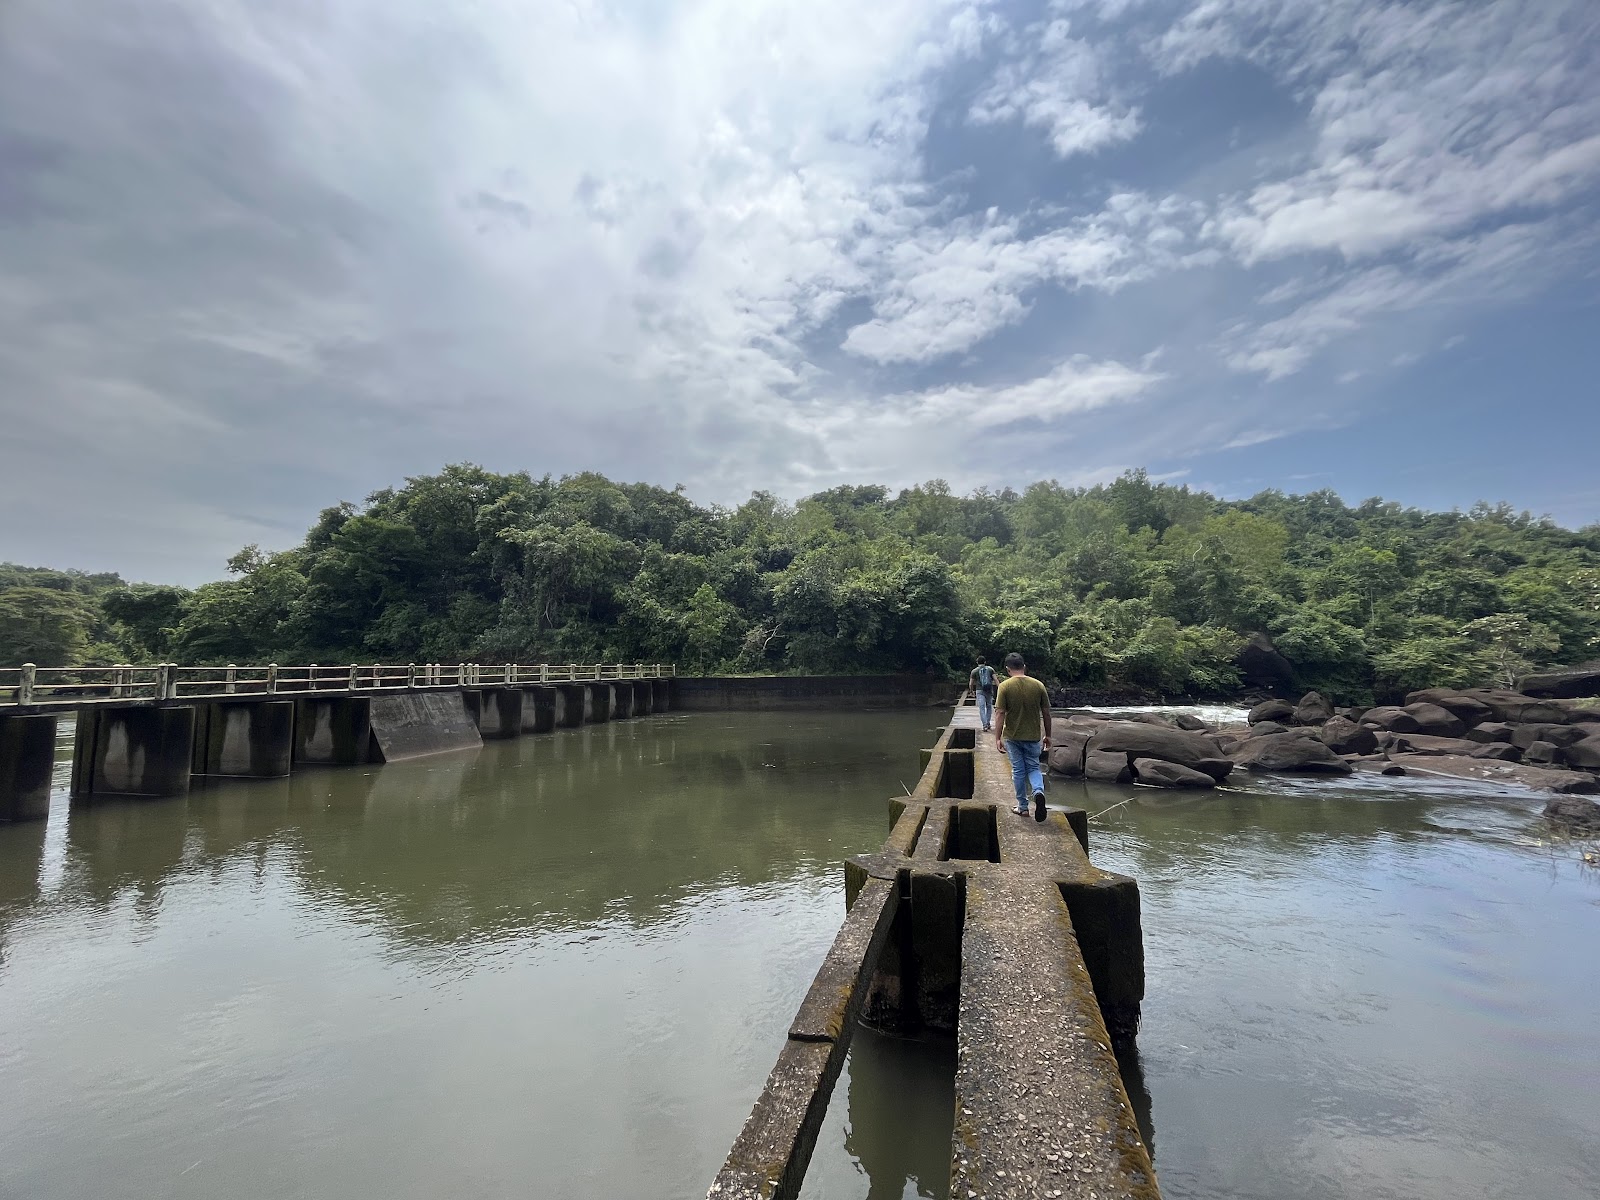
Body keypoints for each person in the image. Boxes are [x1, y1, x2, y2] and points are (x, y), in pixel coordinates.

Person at [993, 652, 1051, 821]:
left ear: (1007, 669)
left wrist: (997, 738)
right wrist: (1048, 735)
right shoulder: (1038, 685)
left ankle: (1023, 807)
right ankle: (1038, 791)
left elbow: (1000, 713)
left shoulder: (1005, 686)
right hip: (1033, 736)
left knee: (1018, 770)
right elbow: (1046, 713)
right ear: (1024, 667)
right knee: (1033, 767)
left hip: (1013, 736)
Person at [968, 655, 998, 732]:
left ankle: (984, 725)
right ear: (985, 662)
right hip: (989, 690)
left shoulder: (974, 671)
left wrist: (971, 691)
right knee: (989, 707)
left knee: (981, 708)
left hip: (979, 691)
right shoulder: (990, 669)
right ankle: (988, 723)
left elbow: (971, 683)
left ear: (977, 662)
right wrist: (1000, 688)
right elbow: (996, 680)